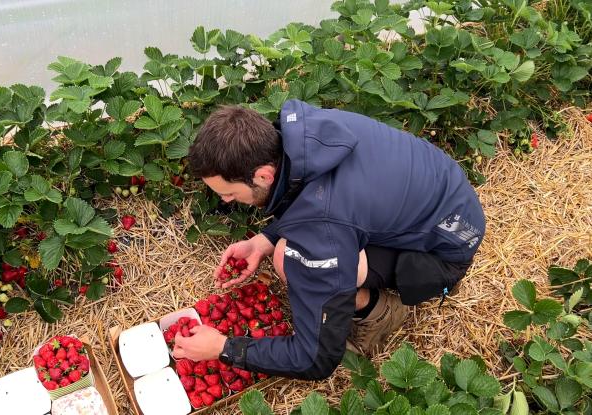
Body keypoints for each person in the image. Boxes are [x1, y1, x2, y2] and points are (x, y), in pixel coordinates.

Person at [171, 99, 485, 380]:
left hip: (443, 253)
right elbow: (318, 193)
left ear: (263, 175)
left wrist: (225, 347)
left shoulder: (322, 230)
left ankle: (381, 312)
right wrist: (264, 239)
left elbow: (315, 359)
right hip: (450, 201)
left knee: (288, 258)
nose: (226, 201)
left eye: (228, 192)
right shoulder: (307, 130)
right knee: (283, 247)